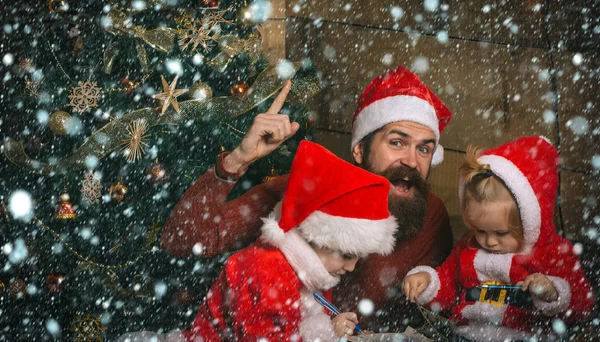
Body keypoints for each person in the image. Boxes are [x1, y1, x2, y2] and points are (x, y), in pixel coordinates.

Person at [161, 65, 454, 329]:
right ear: (359, 150)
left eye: (424, 149)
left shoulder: (430, 215)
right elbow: (182, 240)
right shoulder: (309, 191)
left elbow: (442, 307)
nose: (412, 161)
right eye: (397, 142)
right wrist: (238, 160)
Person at [120, 141, 398, 341]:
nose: (350, 268)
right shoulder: (266, 268)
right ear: (315, 235)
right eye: (347, 256)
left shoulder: (313, 269)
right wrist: (328, 335)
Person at [402, 136, 594, 341]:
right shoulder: (468, 247)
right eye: (479, 230)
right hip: (466, 334)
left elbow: (583, 304)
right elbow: (447, 282)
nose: (489, 241)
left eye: (501, 233)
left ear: (530, 221)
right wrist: (428, 281)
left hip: (525, 336)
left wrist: (554, 293)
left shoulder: (553, 252)